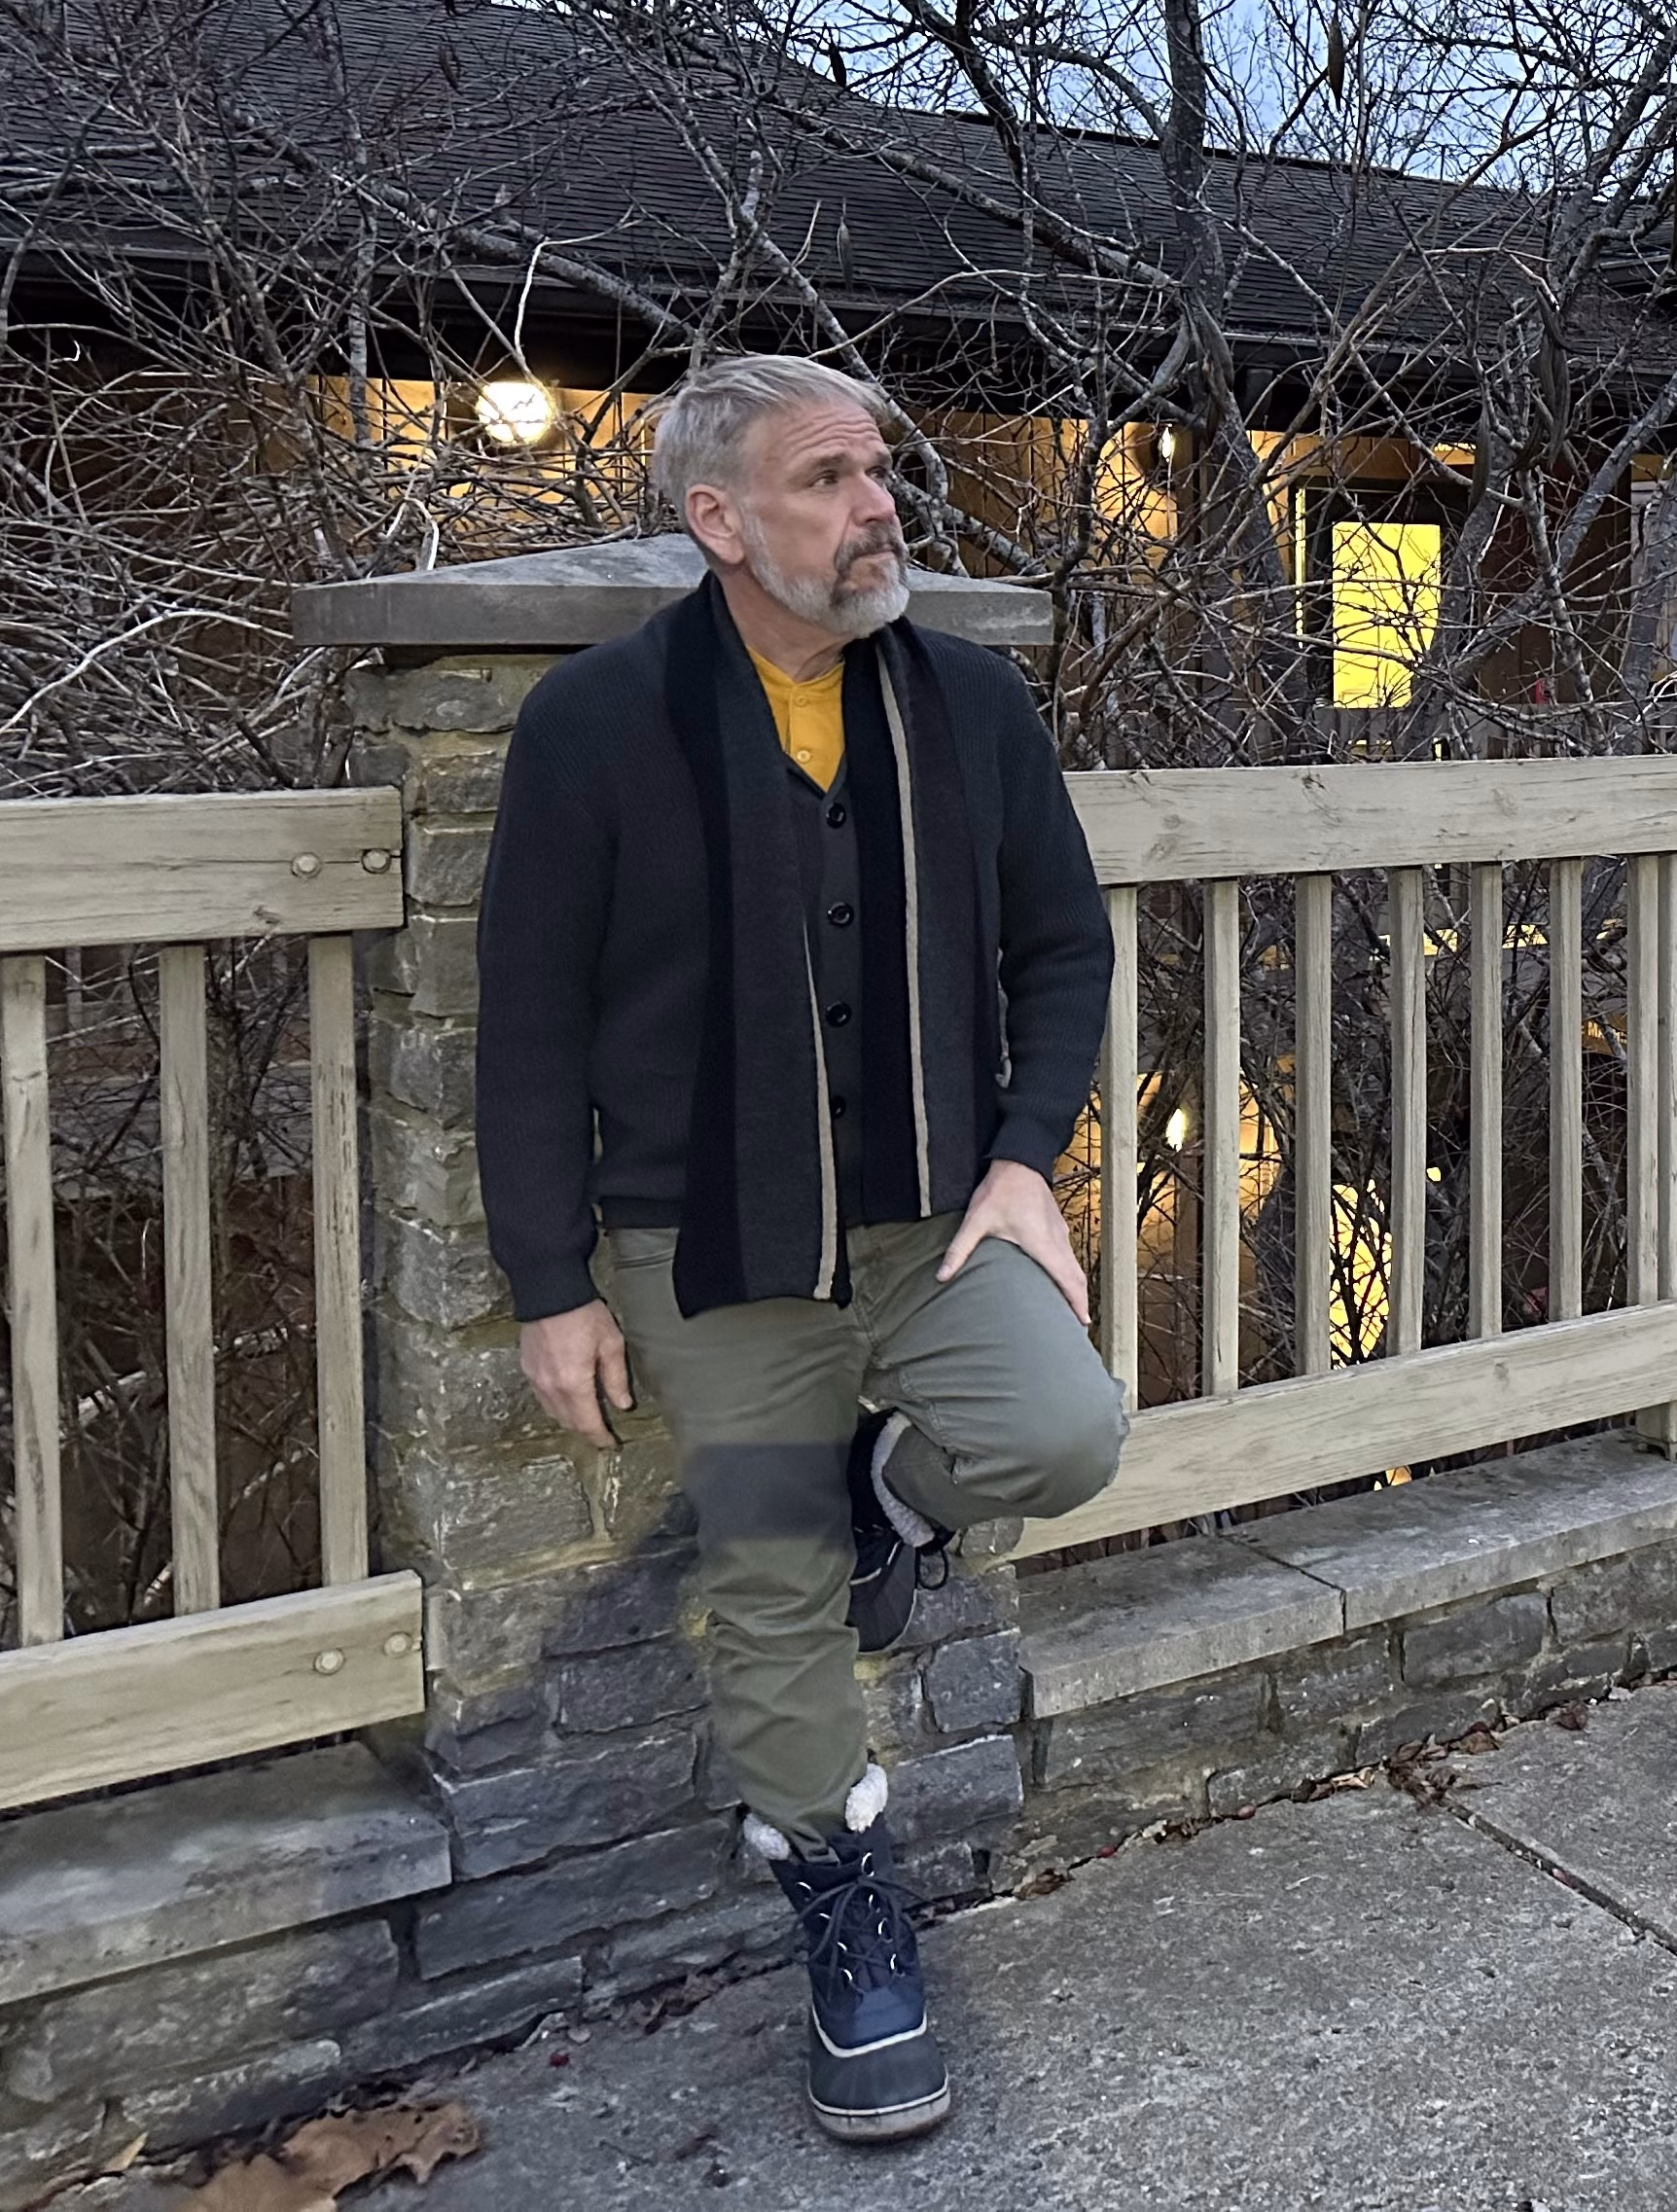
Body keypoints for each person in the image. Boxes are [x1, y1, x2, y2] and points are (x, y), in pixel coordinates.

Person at [475, 354, 1127, 2145]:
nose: (878, 505)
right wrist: (549, 1281)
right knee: (768, 1583)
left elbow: (1063, 947)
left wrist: (1025, 1158)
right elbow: (528, 1018)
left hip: (933, 1213)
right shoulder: (598, 723)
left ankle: (890, 1494)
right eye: (829, 479)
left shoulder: (969, 702)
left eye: (878, 470)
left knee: (1063, 1432)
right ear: (720, 518)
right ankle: (847, 1907)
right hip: (710, 1247)